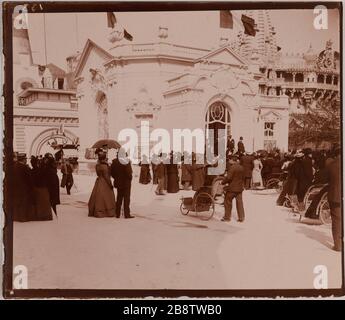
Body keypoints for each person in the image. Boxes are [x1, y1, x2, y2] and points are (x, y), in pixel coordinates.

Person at [89, 151, 116, 218]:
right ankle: (105, 211)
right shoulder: (104, 166)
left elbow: (99, 174)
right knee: (105, 197)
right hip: (104, 182)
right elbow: (106, 177)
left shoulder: (97, 165)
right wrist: (110, 185)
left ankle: (95, 210)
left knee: (97, 196)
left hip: (99, 181)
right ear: (104, 158)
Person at [325, 146, 342, 252]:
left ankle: (338, 245)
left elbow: (326, 179)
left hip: (335, 195)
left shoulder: (331, 165)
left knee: (336, 220)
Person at [111, 150, 134, 219]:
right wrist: (130, 178)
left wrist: (116, 178)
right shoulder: (126, 161)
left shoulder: (114, 162)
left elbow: (112, 173)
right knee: (126, 199)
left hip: (119, 182)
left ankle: (117, 213)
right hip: (126, 183)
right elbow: (129, 173)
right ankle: (127, 214)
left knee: (119, 198)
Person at [12, 153, 35, 222]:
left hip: (15, 187)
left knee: (17, 202)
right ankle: (23, 218)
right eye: (25, 159)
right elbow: (29, 178)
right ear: (23, 160)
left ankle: (16, 217)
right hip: (24, 188)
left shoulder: (14, 166)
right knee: (23, 203)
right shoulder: (25, 167)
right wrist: (31, 187)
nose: (26, 160)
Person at [221, 155, 245, 222]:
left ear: (232, 160)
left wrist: (222, 182)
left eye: (229, 160)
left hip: (232, 188)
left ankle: (227, 217)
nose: (229, 161)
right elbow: (243, 177)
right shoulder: (241, 167)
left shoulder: (232, 168)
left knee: (227, 201)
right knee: (239, 203)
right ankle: (241, 217)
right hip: (240, 188)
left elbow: (228, 178)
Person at [30, 156, 53, 221]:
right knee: (44, 203)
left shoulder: (32, 170)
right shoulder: (42, 170)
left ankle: (39, 216)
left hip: (36, 188)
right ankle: (45, 216)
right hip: (43, 188)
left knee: (38, 203)